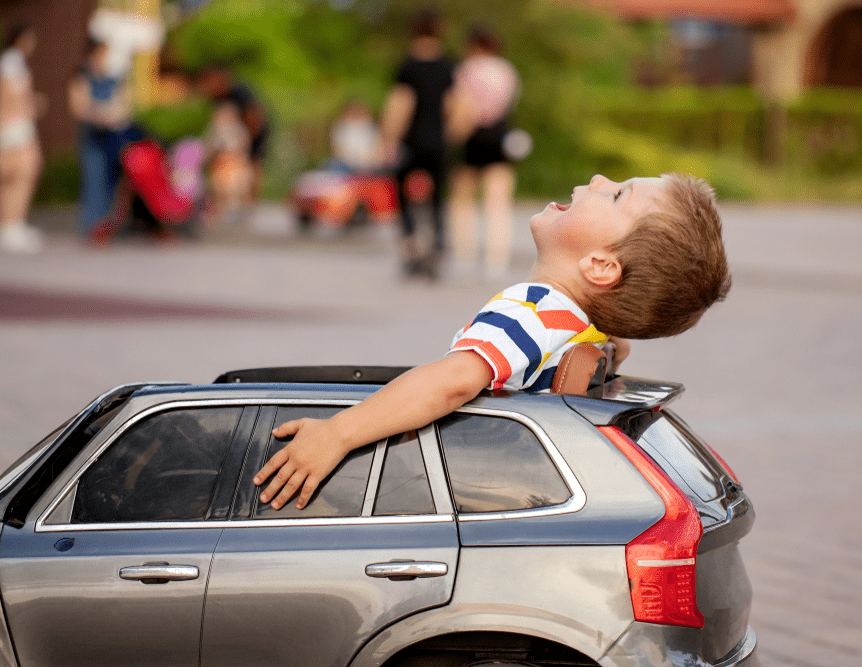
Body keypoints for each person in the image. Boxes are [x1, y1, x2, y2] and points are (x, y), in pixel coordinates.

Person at [251, 172, 732, 511]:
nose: (600, 180)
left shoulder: (532, 311)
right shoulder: (582, 329)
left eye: (616, 197)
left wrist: (338, 434)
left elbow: (454, 382)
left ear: (601, 267)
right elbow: (618, 346)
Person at [381, 9, 455, 279]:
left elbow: (400, 103)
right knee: (437, 197)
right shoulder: (448, 64)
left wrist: (388, 138)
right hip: (438, 140)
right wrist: (450, 134)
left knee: (403, 194)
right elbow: (454, 104)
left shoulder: (408, 65)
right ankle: (436, 245)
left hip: (410, 140)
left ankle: (411, 247)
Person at [447, 26, 521, 281]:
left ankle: (464, 255)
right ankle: (497, 258)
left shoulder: (467, 69)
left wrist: (453, 137)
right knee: (498, 202)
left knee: (462, 200)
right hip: (500, 135)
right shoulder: (506, 70)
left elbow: (462, 106)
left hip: (473, 136)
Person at [0, 24, 45, 254]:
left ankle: (6, 225)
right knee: (24, 173)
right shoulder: (12, 61)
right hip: (15, 127)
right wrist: (30, 106)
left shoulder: (6, 61)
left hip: (6, 127)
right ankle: (13, 224)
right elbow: (9, 95)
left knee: (7, 177)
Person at [68, 38, 133, 236]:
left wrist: (115, 113)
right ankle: (92, 228)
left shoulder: (114, 79)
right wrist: (103, 114)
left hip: (114, 139)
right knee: (94, 181)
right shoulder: (82, 78)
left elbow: (125, 106)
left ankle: (108, 228)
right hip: (94, 137)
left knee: (112, 183)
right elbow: (79, 109)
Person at [196, 63, 270, 204]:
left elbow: (254, 116)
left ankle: (250, 202)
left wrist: (245, 141)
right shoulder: (218, 98)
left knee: (252, 165)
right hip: (234, 138)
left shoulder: (239, 92)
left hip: (249, 134)